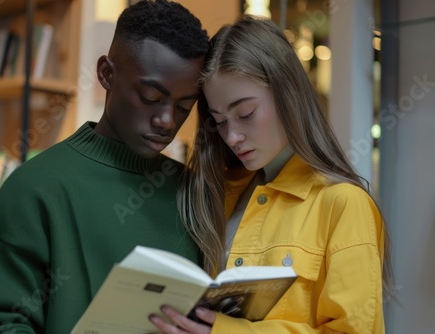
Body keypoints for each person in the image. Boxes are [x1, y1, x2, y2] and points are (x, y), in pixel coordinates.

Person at [0, 1, 209, 333]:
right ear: (106, 74)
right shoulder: (34, 187)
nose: (166, 120)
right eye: (149, 96)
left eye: (184, 106)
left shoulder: (191, 192)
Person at [149, 15, 392, 334]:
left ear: (288, 94)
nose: (232, 136)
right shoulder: (215, 195)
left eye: (246, 114)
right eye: (220, 121)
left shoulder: (343, 204)